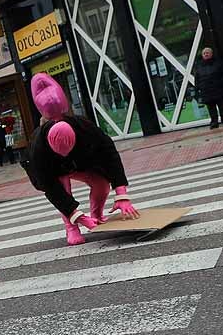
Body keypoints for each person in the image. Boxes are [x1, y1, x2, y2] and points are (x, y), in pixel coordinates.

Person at [28, 74, 140, 246]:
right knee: (63, 187)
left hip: (80, 163)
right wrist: (77, 216)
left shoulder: (84, 127)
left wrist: (121, 194)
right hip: (56, 171)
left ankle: (96, 216)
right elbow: (51, 187)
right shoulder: (38, 147)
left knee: (102, 184)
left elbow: (109, 154)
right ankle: (71, 228)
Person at [193, 47, 223, 128]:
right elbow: (197, 79)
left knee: (222, 106)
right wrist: (198, 89)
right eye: (204, 53)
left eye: (207, 53)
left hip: (218, 89)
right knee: (211, 108)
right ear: (202, 55)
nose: (206, 54)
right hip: (206, 91)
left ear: (211, 54)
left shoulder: (218, 63)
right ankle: (214, 122)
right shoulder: (199, 66)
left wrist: (220, 83)